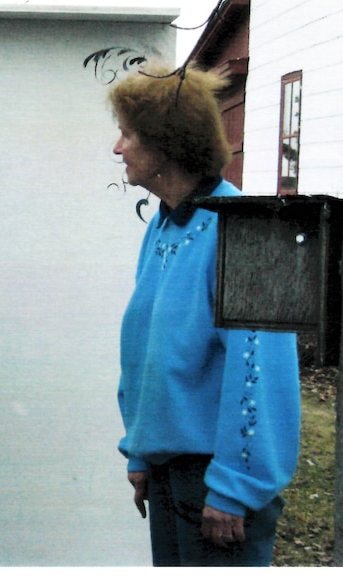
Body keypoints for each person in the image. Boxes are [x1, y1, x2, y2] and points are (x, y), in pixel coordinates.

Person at [108, 64, 300, 567]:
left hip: (218, 485)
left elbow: (260, 374)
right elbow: (149, 349)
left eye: (127, 134)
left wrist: (235, 487)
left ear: (165, 143)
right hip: (172, 475)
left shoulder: (244, 232)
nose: (117, 148)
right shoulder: (165, 226)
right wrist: (142, 452)